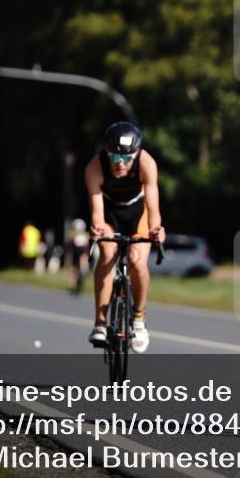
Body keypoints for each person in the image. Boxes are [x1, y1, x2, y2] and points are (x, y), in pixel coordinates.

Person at [85, 122, 166, 352]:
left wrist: (156, 230)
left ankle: (139, 319)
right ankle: (100, 322)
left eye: (127, 158)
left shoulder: (146, 163)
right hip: (110, 214)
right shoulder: (94, 167)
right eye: (114, 157)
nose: (120, 163)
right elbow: (97, 214)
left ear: (136, 153)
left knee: (137, 261)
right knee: (107, 253)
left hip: (138, 213)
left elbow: (153, 206)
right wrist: (98, 229)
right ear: (106, 151)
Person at [68, 218, 91, 295]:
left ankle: (82, 270)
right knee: (76, 266)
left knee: (74, 266)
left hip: (79, 254)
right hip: (80, 254)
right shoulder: (84, 235)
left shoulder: (73, 235)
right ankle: (83, 270)